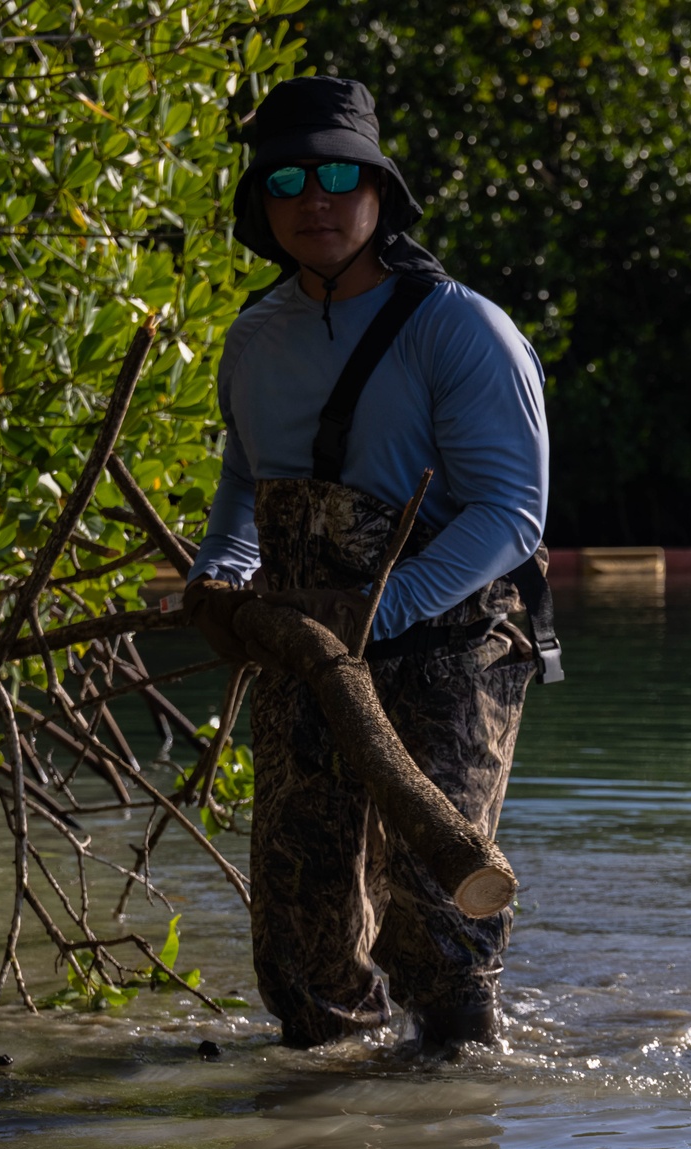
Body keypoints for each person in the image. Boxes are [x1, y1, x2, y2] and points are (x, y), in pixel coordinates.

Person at [183, 75, 559, 1055]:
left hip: (450, 640)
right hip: (305, 641)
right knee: (299, 922)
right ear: (259, 206)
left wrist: (375, 618)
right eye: (290, 179)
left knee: (435, 915)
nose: (316, 198)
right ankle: (319, 1147)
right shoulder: (253, 337)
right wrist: (218, 575)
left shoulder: (460, 328)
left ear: (379, 193)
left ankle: (452, 1125)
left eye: (340, 175)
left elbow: (510, 512)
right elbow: (241, 485)